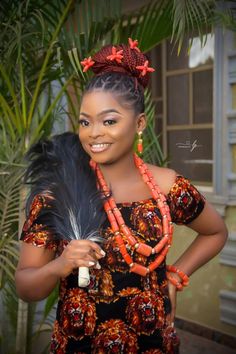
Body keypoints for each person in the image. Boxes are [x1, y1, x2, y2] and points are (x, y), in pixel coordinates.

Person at [15, 39, 228, 354]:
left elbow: (215, 232)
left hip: (154, 342)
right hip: (80, 345)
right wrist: (60, 264)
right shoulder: (59, 192)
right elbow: (25, 285)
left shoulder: (169, 186)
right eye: (85, 122)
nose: (93, 132)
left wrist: (176, 274)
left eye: (109, 120)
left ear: (139, 123)